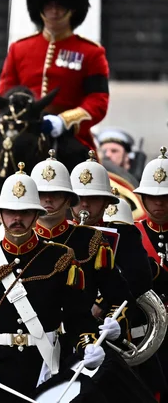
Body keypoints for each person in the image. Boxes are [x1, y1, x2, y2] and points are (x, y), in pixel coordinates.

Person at [0, 163, 106, 402]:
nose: (17, 218)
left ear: (37, 215)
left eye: (25, 212)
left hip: (45, 371)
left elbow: (77, 317)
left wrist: (88, 344)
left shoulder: (60, 257)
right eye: (10, 212)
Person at [0, 0, 107, 158]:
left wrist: (65, 121)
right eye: (48, 5)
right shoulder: (19, 49)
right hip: (21, 133)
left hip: (68, 138)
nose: (54, 11)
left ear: (72, 7)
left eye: (60, 5)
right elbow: (6, 90)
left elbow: (98, 100)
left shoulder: (90, 52)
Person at [69, 150, 166, 397]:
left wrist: (102, 304)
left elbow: (138, 277)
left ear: (105, 202)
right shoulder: (61, 238)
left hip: (114, 337)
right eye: (79, 198)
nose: (84, 205)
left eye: (92, 199)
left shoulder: (123, 235)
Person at [30, 150, 129, 360]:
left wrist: (113, 322)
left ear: (69, 200)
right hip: (28, 348)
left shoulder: (91, 240)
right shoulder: (17, 241)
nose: (48, 200)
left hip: (81, 345)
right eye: (40, 194)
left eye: (56, 194)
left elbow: (118, 296)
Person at [133, 147, 168, 398]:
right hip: (146, 335)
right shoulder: (130, 234)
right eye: (152, 196)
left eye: (165, 196)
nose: (159, 202)